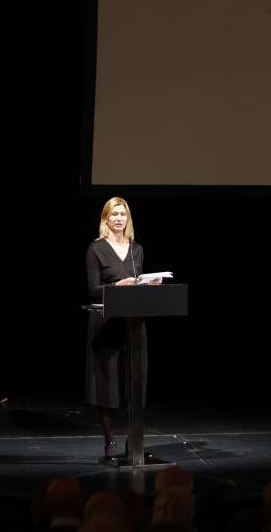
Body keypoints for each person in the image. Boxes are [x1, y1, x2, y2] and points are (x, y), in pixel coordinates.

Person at [84, 196, 161, 460]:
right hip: (105, 322)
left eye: (123, 214)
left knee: (135, 381)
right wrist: (117, 286)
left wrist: (146, 284)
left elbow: (136, 284)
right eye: (114, 214)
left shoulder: (136, 249)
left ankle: (134, 440)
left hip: (132, 322)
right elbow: (93, 289)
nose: (119, 219)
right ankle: (110, 440)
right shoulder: (96, 249)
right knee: (106, 381)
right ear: (105, 219)